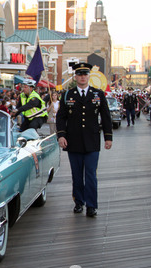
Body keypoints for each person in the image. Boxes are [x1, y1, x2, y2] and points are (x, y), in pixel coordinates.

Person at [56, 62, 113, 218]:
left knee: (90, 175)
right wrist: (61, 135)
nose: (82, 77)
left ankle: (92, 205)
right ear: (75, 76)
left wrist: (108, 137)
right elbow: (61, 117)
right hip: (73, 141)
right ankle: (79, 202)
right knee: (76, 175)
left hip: (92, 141)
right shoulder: (68, 94)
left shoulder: (98, 94)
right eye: (79, 74)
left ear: (89, 76)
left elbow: (106, 117)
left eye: (85, 74)